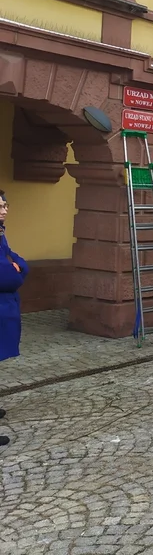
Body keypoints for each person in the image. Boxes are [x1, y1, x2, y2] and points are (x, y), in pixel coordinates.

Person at [0, 191, 28, 448]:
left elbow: (17, 262)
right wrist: (15, 268)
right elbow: (8, 274)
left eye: (5, 205)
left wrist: (17, 266)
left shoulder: (1, 233)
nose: (4, 210)